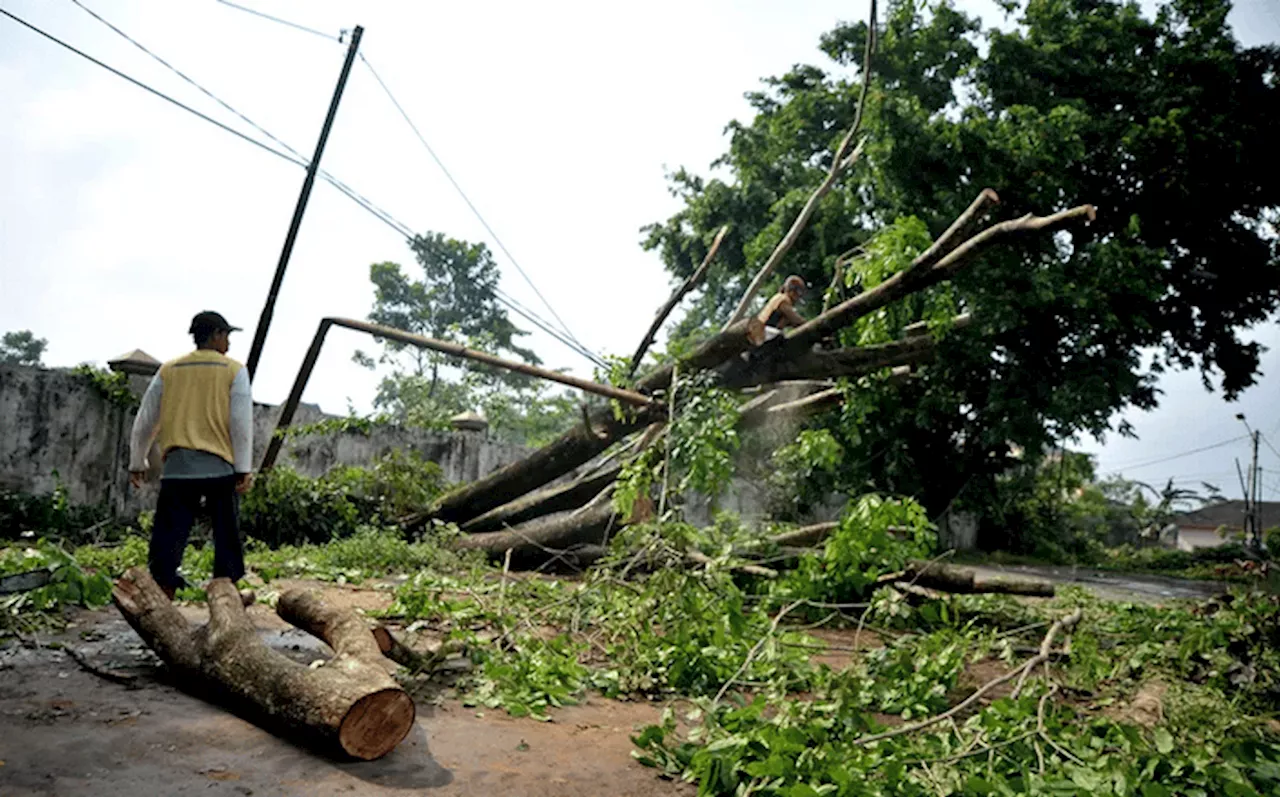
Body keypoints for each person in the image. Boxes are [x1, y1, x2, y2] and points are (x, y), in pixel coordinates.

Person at [129, 311, 253, 600]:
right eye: (227, 336)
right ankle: (227, 591)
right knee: (226, 534)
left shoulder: (169, 370)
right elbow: (240, 423)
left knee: (169, 532)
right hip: (219, 468)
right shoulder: (234, 370)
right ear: (217, 335)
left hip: (177, 468)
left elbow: (146, 418)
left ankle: (163, 588)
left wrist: (138, 461)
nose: (229, 344)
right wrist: (243, 468)